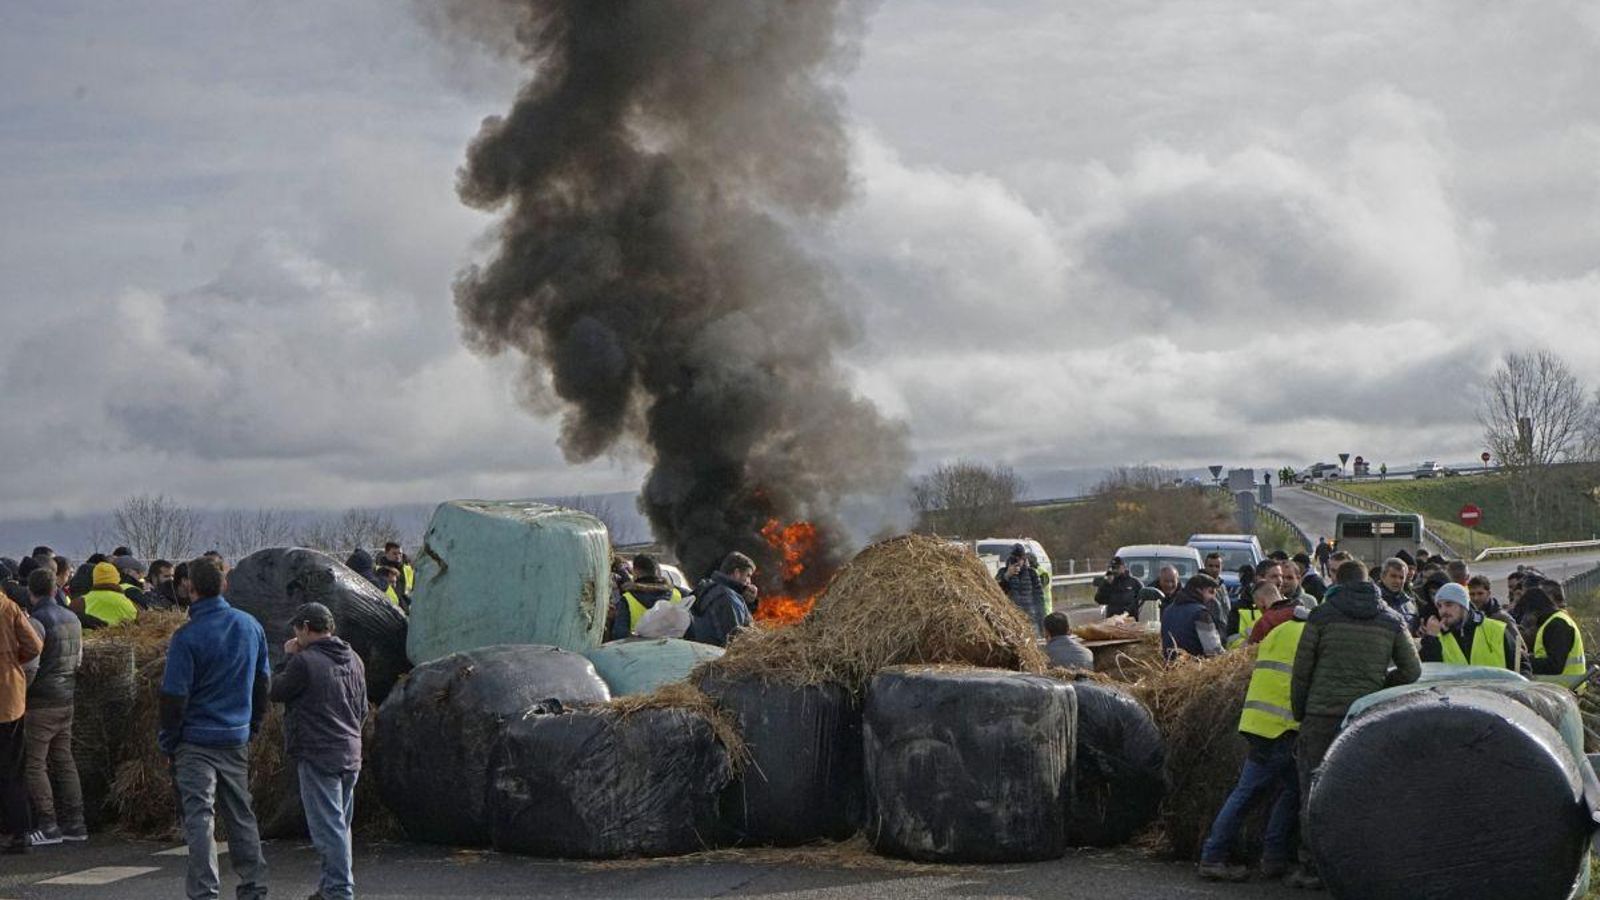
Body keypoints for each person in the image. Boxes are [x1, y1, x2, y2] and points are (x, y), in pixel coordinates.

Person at [1287, 560, 1421, 889]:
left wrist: (1301, 711)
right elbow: (1413, 671)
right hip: (1364, 719)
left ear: (1336, 580)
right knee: (1363, 792)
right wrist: (1380, 687)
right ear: (1370, 582)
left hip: (1321, 715)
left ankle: (1312, 868)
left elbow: (1302, 670)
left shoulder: (1321, 615)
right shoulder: (1391, 619)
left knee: (1313, 792)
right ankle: (1357, 865)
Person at [159, 557, 270, 900]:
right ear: (225, 585)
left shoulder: (186, 638)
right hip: (235, 734)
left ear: (190, 590)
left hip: (195, 739)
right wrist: (253, 725)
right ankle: (253, 885)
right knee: (241, 813)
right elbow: (263, 682)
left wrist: (169, 740)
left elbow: (174, 697)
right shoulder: (250, 626)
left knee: (199, 817)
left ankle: (205, 892)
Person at [1199, 584, 1307, 882]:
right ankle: (1214, 856)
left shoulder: (1278, 631)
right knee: (1256, 793)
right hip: (1281, 728)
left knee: (1287, 789)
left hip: (1258, 721)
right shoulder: (1311, 635)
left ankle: (1271, 859)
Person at [270, 602, 367, 900]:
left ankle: (339, 890)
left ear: (306, 628)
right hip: (350, 750)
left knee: (328, 828)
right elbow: (362, 708)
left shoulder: (304, 662)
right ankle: (330, 886)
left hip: (318, 752)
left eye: (296, 629)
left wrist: (287, 657)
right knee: (340, 824)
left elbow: (276, 691)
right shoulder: (354, 658)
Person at [22, 568, 85, 846]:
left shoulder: (37, 621)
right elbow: (79, 661)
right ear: (54, 589)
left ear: (30, 592)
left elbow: (31, 666)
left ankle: (48, 825)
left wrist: (21, 693)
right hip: (66, 699)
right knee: (64, 761)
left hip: (41, 703)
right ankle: (76, 822)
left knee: (35, 765)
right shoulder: (72, 618)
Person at [0, 575, 44, 853]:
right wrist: (14, 663)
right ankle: (20, 832)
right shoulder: (8, 606)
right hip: (9, 697)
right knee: (12, 769)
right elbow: (35, 646)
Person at [1420, 583, 1521, 673]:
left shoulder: (1496, 629)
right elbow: (1429, 673)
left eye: (1449, 605)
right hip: (1456, 694)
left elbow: (1521, 666)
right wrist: (1431, 639)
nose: (1443, 611)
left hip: (1496, 693)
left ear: (1464, 605)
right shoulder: (1435, 637)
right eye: (1439, 606)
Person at [1520, 587, 1587, 690]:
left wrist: (1525, 660)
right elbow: (1545, 655)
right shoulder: (1550, 623)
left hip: (1566, 690)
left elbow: (1555, 666)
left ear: (1535, 611)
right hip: (1559, 690)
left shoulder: (1557, 625)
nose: (1528, 622)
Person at [610, 555, 687, 641]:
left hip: (637, 652)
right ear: (657, 571)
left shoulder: (628, 599)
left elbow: (619, 636)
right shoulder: (678, 595)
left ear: (635, 572)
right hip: (673, 651)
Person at [688, 553, 756, 648]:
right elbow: (736, 641)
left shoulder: (709, 588)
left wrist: (745, 601)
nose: (749, 582)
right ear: (737, 573)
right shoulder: (728, 597)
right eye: (748, 575)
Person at [1160, 574, 1224, 660]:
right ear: (1198, 590)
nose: (1213, 598)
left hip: (1169, 667)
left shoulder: (1168, 610)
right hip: (1195, 668)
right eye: (1211, 592)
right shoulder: (1201, 614)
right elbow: (1214, 651)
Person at [996, 544, 1045, 632]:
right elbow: (995, 592)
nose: (1018, 562)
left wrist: (1042, 622)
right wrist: (1007, 576)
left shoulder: (1031, 573)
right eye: (1015, 559)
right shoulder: (1002, 572)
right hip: (1011, 618)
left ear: (1024, 559)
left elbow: (1039, 598)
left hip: (1030, 617)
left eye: (1020, 559)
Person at [81, 561, 139, 628]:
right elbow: (133, 619)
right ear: (116, 579)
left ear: (94, 579)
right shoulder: (125, 602)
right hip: (119, 637)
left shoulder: (82, 601)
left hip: (89, 637)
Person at [1249, 580, 1304, 644]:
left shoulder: (1265, 622)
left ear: (1261, 602)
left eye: (1256, 604)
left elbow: (1250, 649)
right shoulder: (1302, 611)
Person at [1376, 558, 1418, 630]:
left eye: (1401, 577)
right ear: (1382, 576)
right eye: (1393, 576)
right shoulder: (1372, 599)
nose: (1397, 581)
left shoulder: (1409, 603)